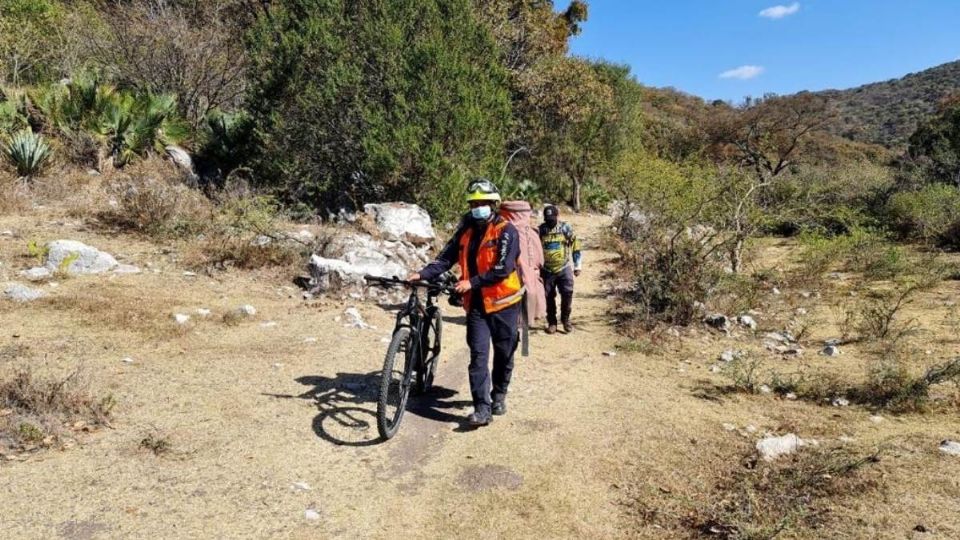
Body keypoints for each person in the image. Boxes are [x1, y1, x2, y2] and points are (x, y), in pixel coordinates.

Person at [408, 179, 522, 427]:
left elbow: (503, 269)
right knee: (478, 356)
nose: (477, 207)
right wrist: (422, 274)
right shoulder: (465, 232)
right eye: (473, 203)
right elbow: (445, 259)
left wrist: (473, 282)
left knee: (504, 355)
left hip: (504, 304)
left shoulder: (506, 231)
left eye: (482, 203)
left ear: (493, 204)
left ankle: (499, 394)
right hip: (477, 306)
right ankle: (482, 408)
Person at [538, 205, 581, 334]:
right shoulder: (541, 230)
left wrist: (577, 265)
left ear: (557, 216)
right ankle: (552, 322)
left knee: (567, 293)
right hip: (547, 269)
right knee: (548, 296)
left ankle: (566, 320)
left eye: (552, 218)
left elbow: (575, 244)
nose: (550, 221)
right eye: (547, 219)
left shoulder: (565, 228)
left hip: (563, 267)